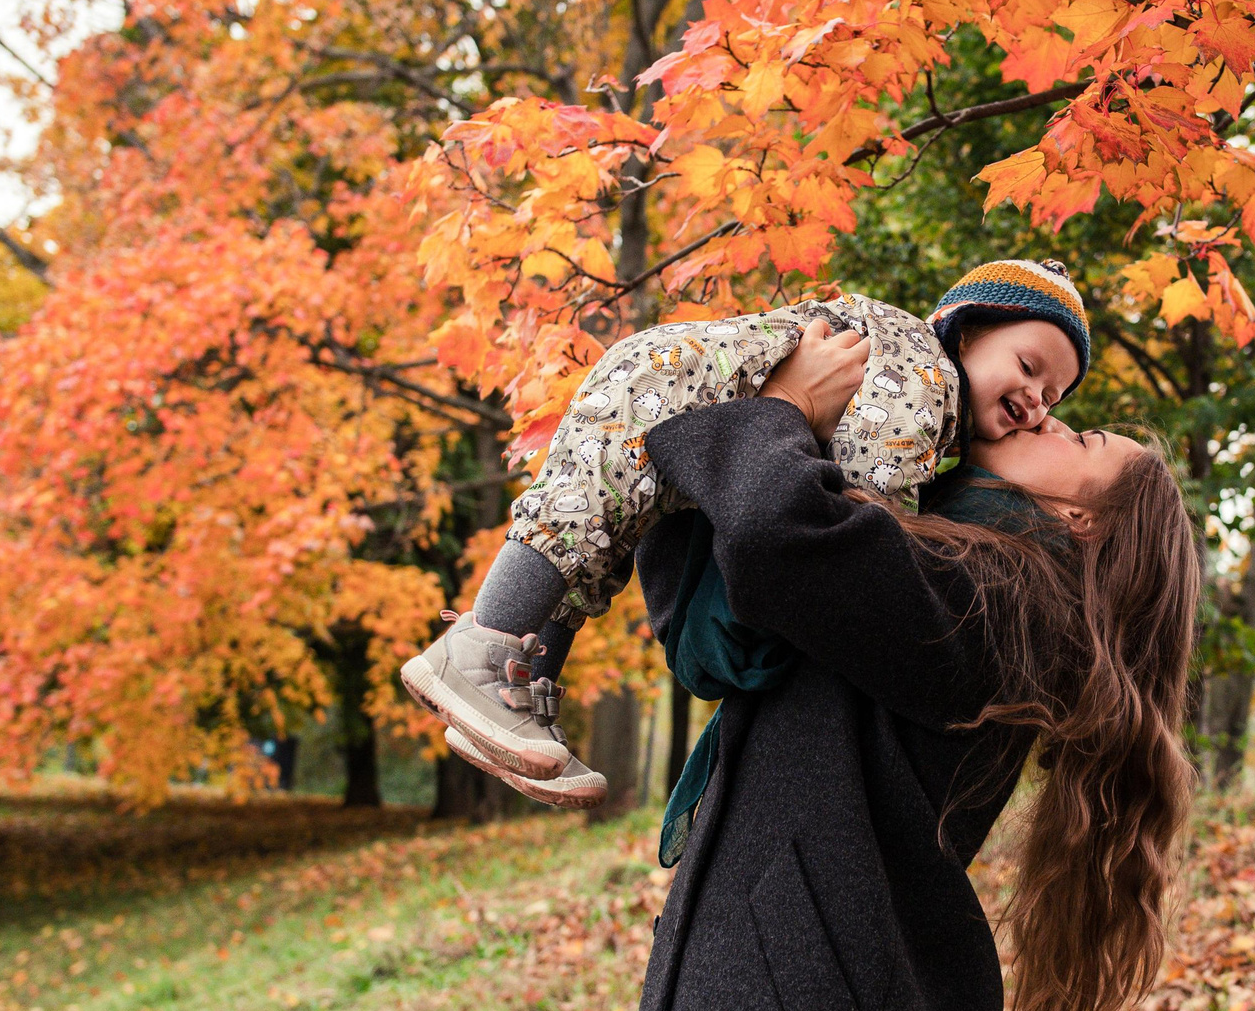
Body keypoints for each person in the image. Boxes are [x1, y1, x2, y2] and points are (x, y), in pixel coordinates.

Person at [574, 324, 1200, 1011]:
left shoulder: (1017, 599)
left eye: (1084, 436)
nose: (1051, 416)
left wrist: (783, 409)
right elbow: (735, 606)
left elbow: (782, 536)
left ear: (1085, 521)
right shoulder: (952, 550)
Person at [399, 260, 1094, 807]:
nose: (1037, 399)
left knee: (592, 554)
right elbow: (872, 496)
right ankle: (480, 649)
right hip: (662, 398)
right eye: (1028, 367)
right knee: (574, 527)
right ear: (965, 332)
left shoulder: (936, 399)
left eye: (1054, 397)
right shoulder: (924, 373)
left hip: (682, 411)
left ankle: (512, 698)